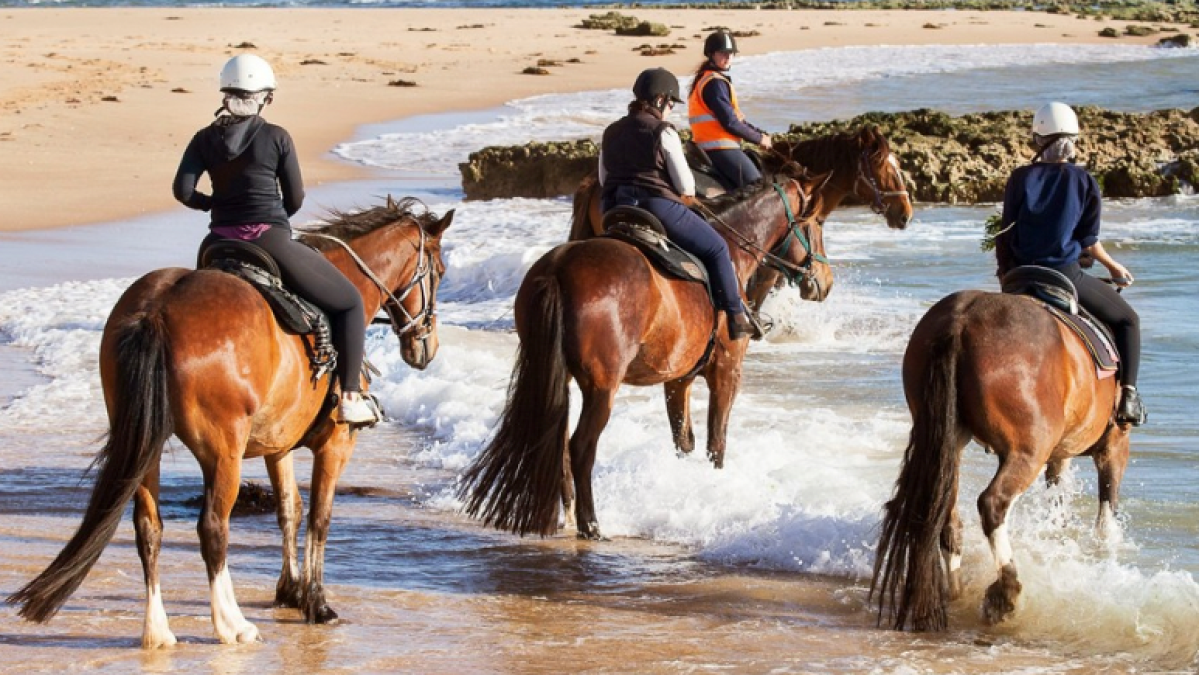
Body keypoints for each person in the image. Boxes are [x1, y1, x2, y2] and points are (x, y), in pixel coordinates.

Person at [172, 54, 376, 424]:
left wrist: (212, 204)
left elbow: (183, 191)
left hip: (216, 244)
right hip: (268, 240)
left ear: (225, 94)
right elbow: (295, 198)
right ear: (265, 97)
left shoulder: (203, 139)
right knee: (349, 303)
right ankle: (350, 396)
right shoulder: (277, 136)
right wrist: (271, 218)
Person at [999, 101, 1146, 426]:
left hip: (1020, 276)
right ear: (1073, 140)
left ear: (1038, 139)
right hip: (1064, 275)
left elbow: (1007, 231)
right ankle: (1130, 398)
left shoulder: (1019, 178)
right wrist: (1112, 267)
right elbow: (1089, 241)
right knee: (1128, 321)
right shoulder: (1083, 181)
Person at [598, 67, 754, 341]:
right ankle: (735, 315)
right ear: (659, 99)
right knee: (717, 248)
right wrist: (686, 197)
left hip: (615, 209)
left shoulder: (611, 132)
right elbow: (686, 186)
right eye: (671, 102)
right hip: (656, 207)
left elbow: (603, 177)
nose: (671, 108)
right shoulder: (663, 131)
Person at [688, 29, 772, 191]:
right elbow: (730, 122)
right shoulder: (714, 83)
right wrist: (758, 139)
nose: (728, 57)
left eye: (731, 53)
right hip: (719, 149)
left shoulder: (707, 79)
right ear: (711, 54)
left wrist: (760, 134)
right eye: (722, 53)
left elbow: (737, 119)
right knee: (758, 188)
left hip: (712, 146)